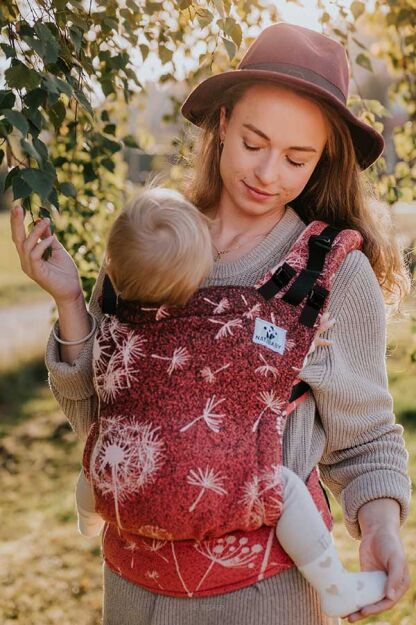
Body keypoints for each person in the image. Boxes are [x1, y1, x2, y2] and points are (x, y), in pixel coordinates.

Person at [10, 20, 411, 625]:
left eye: (296, 158)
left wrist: (380, 523)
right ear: (222, 125)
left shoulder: (331, 273)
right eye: (254, 142)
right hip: (132, 593)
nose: (269, 173)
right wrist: (70, 304)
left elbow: (366, 436)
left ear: (322, 159)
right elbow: (101, 421)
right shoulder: (147, 245)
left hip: (264, 600)